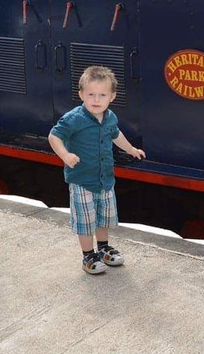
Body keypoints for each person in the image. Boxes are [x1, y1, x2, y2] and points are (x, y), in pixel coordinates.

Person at [48, 66, 145, 275]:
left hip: (105, 180)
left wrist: (131, 149)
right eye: (90, 94)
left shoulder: (110, 118)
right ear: (81, 94)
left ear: (112, 96)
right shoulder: (74, 118)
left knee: (104, 217)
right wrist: (65, 155)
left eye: (102, 95)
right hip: (82, 180)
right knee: (85, 220)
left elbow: (116, 135)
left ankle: (103, 248)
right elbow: (54, 136)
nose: (96, 99)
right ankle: (88, 255)